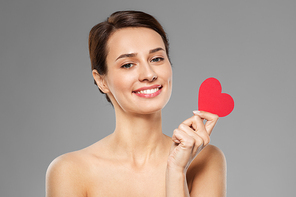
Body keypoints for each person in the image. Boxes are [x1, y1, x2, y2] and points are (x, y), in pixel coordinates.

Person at [46, 10, 226, 197]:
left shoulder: (205, 159)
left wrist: (176, 171)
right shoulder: (69, 171)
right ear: (101, 81)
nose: (149, 74)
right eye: (127, 64)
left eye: (156, 59)